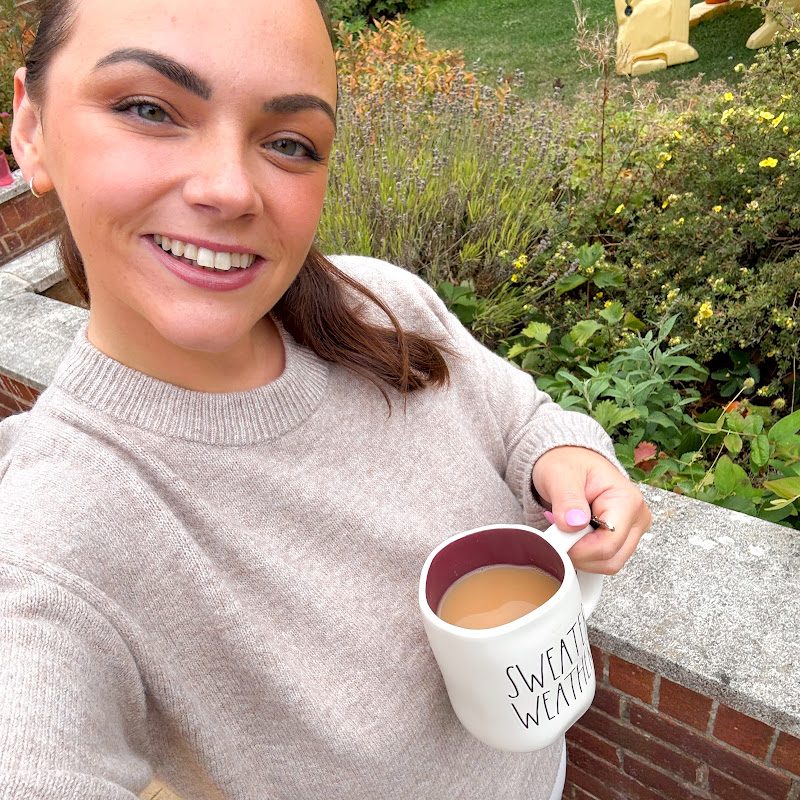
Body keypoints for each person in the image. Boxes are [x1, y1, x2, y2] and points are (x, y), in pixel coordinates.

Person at [0, 0, 651, 798]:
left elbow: (516, 415)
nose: (229, 189)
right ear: (31, 128)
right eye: (149, 109)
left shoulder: (382, 304)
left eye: (289, 143)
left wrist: (564, 454)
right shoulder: (53, 540)